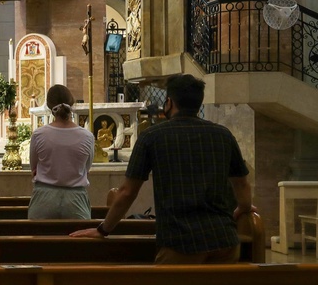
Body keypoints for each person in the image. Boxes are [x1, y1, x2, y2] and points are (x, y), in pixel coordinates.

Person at [71, 74, 253, 264]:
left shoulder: (152, 136)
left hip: (180, 240)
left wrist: (103, 230)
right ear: (199, 104)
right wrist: (244, 208)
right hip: (224, 240)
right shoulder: (223, 135)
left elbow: (127, 192)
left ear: (169, 102)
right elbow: (241, 184)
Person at [28, 84, 95, 220]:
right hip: (76, 200)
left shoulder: (39, 135)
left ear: (48, 106)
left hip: (43, 198)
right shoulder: (87, 136)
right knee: (79, 238)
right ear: (72, 104)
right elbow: (86, 169)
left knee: (38, 239)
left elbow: (34, 168)